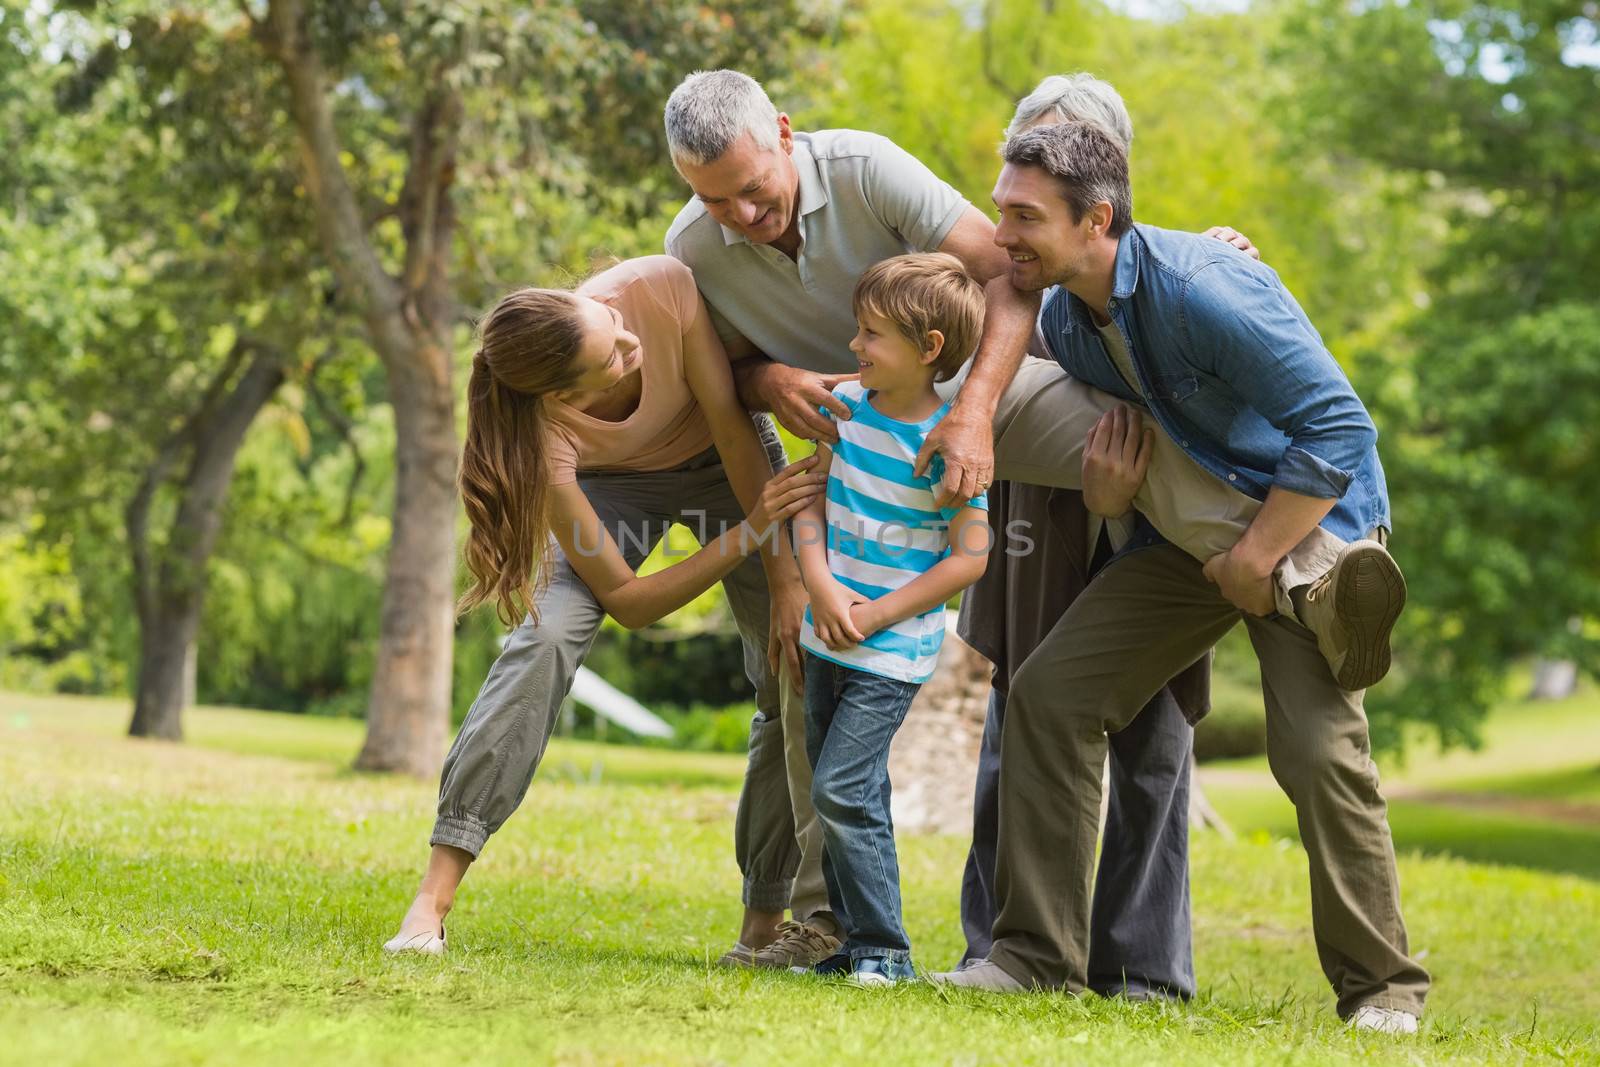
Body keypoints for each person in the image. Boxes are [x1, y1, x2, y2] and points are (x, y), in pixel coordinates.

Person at [662, 67, 1251, 973]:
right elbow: (730, 375)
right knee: (924, 687)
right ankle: (907, 935)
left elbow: (1019, 282)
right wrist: (772, 382)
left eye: (751, 190)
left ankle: (1290, 562)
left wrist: (971, 410)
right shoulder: (698, 246)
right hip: (902, 461)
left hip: (1008, 415)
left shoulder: (873, 171)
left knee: (1146, 503)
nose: (739, 215)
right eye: (714, 200)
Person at [930, 122, 1429, 1034]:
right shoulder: (1070, 317)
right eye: (1002, 209)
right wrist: (1109, 497)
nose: (1003, 233)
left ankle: (1384, 989)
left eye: (1023, 216)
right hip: (1187, 541)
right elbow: (1006, 319)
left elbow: (1342, 433)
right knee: (1051, 693)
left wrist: (1254, 557)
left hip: (1307, 523)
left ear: (1098, 219)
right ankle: (1034, 957)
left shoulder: (1201, 288)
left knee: (1318, 754)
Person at [382, 255, 825, 954]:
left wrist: (786, 579)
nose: (631, 345)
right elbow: (629, 600)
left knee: (792, 661)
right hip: (612, 485)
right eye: (610, 359)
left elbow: (733, 426)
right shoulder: (543, 435)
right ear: (562, 395)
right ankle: (429, 904)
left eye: (614, 327)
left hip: (724, 459)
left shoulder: (657, 286)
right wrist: (749, 533)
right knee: (547, 637)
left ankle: (765, 923)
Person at [954, 73, 1213, 997]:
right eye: (1032, 146)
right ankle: (996, 943)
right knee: (1017, 722)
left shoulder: (1166, 269)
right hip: (1037, 515)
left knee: (1156, 742)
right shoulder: (1004, 267)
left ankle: (1144, 970)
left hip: (1152, 524)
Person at [794, 253, 991, 986]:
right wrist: (821, 587)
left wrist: (875, 611)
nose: (855, 346)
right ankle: (853, 943)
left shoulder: (949, 443)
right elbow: (810, 499)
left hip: (892, 649)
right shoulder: (844, 408)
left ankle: (885, 948)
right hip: (826, 633)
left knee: (842, 788)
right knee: (845, 785)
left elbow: (969, 557)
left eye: (871, 333)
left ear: (929, 349)